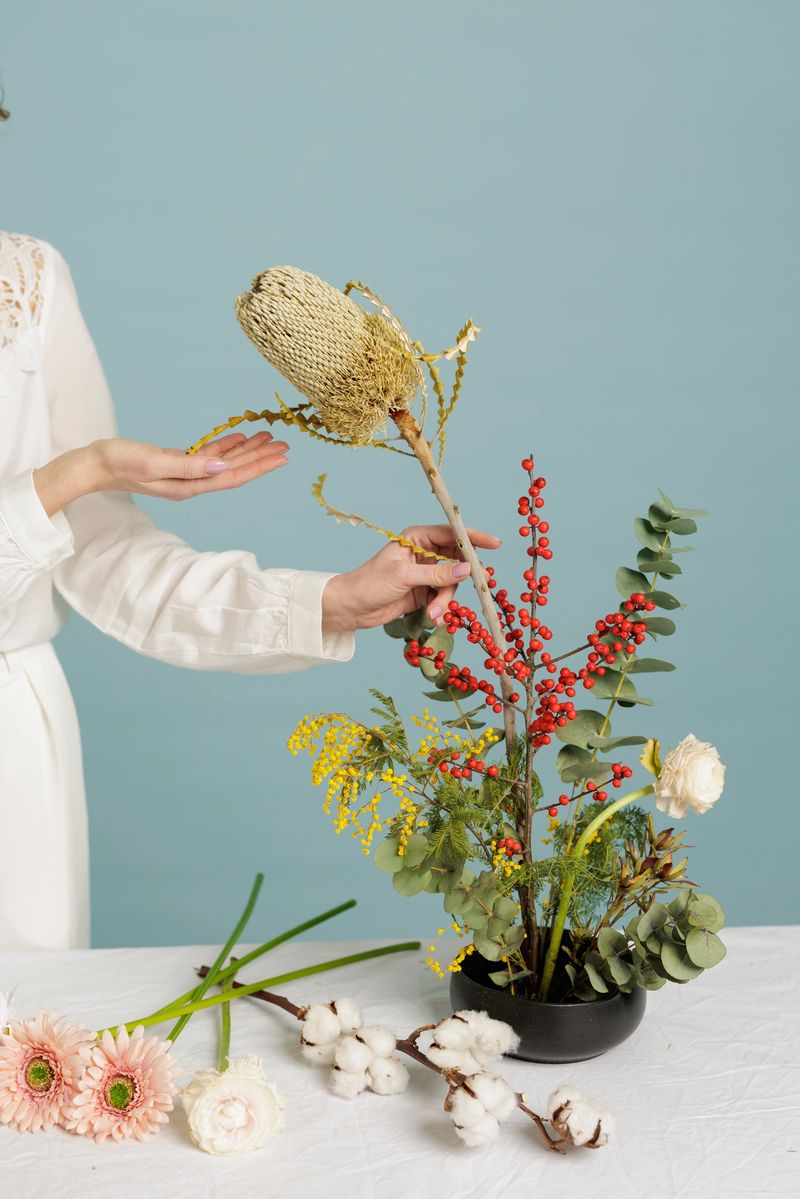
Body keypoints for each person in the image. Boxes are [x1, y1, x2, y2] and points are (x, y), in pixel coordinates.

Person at [0, 104, 499, 952]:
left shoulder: (28, 281)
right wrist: (76, 472)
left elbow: (107, 560)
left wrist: (335, 600)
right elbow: (58, 502)